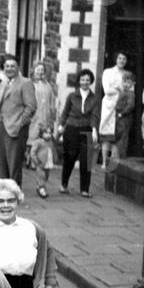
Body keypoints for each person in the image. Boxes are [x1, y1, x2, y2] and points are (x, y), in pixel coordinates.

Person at [0, 54, 37, 185]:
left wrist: (20, 123)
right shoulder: (3, 83)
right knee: (1, 161)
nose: (9, 69)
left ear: (18, 67)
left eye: (12, 66)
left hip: (15, 128)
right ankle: (3, 190)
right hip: (1, 126)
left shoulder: (25, 82)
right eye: (7, 66)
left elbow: (31, 106)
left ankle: (14, 191)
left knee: (14, 163)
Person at [57, 69, 100, 197]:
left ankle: (85, 189)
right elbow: (65, 112)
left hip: (86, 129)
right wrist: (61, 125)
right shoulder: (72, 96)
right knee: (69, 158)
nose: (85, 82)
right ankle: (64, 185)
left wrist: (94, 130)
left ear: (90, 81)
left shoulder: (95, 98)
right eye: (82, 80)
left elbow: (94, 115)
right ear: (79, 81)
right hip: (71, 128)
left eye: (87, 80)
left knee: (86, 161)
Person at [27, 62, 58, 198]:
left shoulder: (48, 86)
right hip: (33, 119)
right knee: (33, 143)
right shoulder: (30, 84)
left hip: (44, 120)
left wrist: (52, 118)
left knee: (42, 148)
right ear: (33, 71)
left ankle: (37, 167)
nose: (40, 73)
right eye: (37, 70)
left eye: (42, 70)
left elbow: (52, 103)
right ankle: (32, 161)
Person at [98, 51, 127, 164]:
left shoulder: (127, 75)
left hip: (121, 107)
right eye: (120, 58)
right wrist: (120, 89)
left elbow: (129, 92)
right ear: (116, 59)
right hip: (109, 107)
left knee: (118, 136)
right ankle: (105, 163)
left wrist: (119, 89)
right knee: (107, 136)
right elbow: (107, 91)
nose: (122, 61)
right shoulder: (108, 72)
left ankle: (115, 164)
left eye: (124, 59)